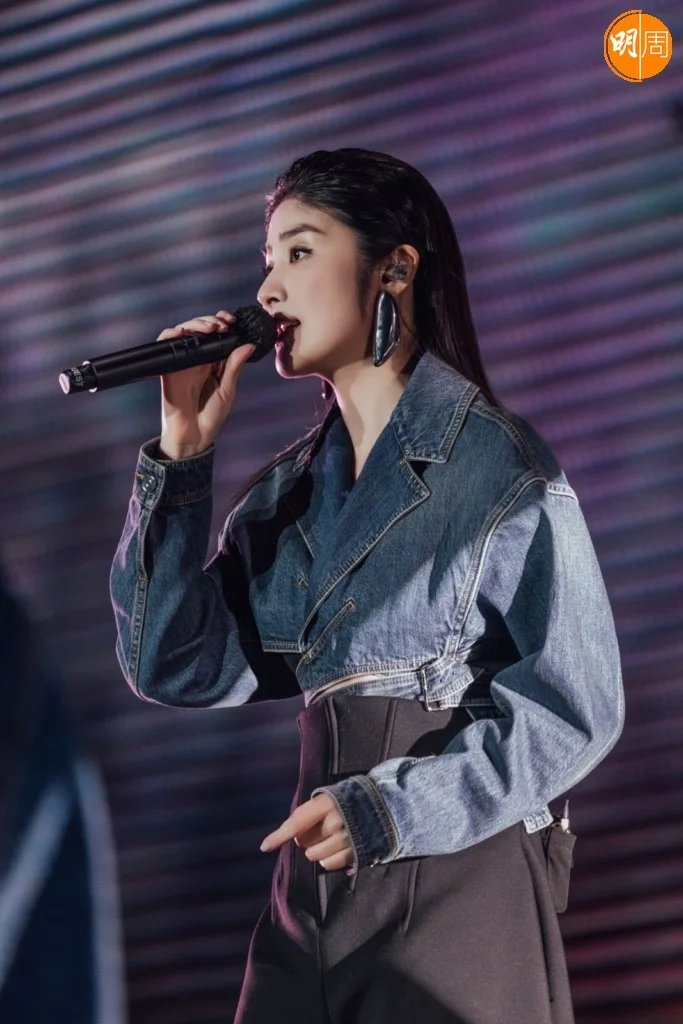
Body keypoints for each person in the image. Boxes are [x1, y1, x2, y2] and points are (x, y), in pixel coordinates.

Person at [110, 148, 624, 1023]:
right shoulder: (288, 496)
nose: (268, 289)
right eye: (267, 259)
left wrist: (391, 812)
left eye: (299, 252)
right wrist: (183, 454)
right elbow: (174, 663)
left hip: (454, 874)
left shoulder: (496, 465)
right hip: (315, 880)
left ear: (394, 269)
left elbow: (577, 707)